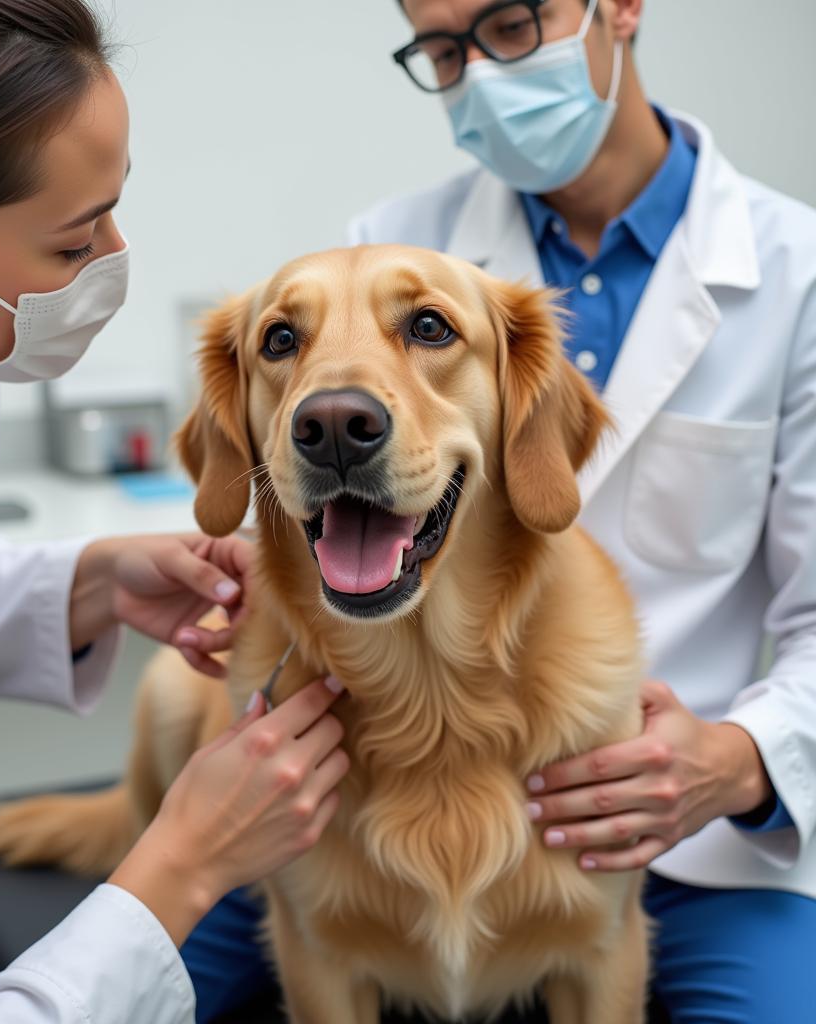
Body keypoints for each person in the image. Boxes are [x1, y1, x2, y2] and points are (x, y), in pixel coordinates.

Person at [175, 1, 816, 1021]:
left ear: (620, 8)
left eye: (511, 22)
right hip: (365, 791)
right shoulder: (383, 244)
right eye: (440, 48)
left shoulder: (797, 274)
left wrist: (741, 759)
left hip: (696, 826)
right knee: (134, 991)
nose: (478, 72)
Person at [0, 2, 351, 1022]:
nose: (113, 260)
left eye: (112, 208)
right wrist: (185, 860)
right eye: (68, 244)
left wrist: (89, 585)